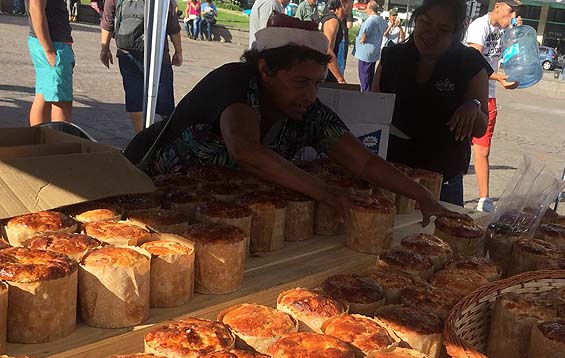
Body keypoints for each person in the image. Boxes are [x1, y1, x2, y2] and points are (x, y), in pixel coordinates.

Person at [124, 13, 457, 226]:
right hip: (147, 194)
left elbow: (365, 163)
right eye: (300, 82)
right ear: (266, 70)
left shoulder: (307, 111)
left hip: (212, 217)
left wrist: (421, 195)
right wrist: (325, 192)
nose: (311, 94)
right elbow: (245, 151)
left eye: (317, 82)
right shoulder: (235, 81)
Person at [372, 0, 491, 207]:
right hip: (391, 174)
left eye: (443, 29)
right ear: (415, 20)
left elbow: (480, 128)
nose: (431, 33)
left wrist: (473, 106)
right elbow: (372, 109)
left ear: (456, 33)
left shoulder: (469, 63)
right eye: (425, 22)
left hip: (443, 180)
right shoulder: (392, 57)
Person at [464, 0, 520, 213]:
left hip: (489, 95)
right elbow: (473, 58)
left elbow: (513, 56)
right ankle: (449, 184)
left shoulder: (507, 30)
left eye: (516, 12)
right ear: (497, 6)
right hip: (470, 92)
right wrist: (498, 77)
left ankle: (484, 198)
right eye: (510, 10)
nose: (513, 15)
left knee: (483, 149)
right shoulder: (480, 26)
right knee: (459, 142)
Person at [100, 0, 183, 133]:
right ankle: (164, 138)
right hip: (158, 53)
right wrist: (178, 52)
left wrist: (104, 48)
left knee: (134, 96)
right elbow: (173, 27)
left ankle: (141, 137)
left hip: (127, 52)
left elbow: (108, 22)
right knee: (164, 95)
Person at [26, 0, 75, 125]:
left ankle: (40, 140)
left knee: (44, 96)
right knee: (61, 101)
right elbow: (35, 8)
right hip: (53, 43)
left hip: (51, 42)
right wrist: (49, 50)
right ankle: (59, 142)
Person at [354, 1, 385, 92]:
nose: (366, 10)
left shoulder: (371, 19)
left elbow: (366, 30)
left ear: (371, 9)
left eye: (367, 8)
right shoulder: (382, 20)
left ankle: (365, 91)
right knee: (370, 73)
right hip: (374, 50)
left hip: (365, 52)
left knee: (364, 74)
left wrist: (363, 38)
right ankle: (369, 90)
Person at [320, 0, 351, 84]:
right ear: (342, 3)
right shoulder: (332, 21)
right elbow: (327, 50)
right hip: (324, 76)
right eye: (350, 2)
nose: (351, 5)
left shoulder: (335, 20)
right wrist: (340, 79)